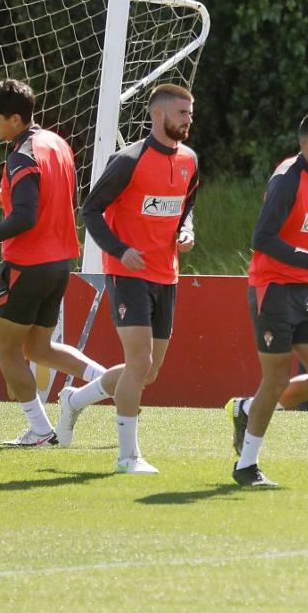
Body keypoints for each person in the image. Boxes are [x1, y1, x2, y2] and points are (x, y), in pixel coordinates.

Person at [61, 84, 199, 473]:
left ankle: (75, 400)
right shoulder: (128, 160)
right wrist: (120, 250)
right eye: (182, 113)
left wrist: (185, 230)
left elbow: (186, 206)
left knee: (148, 371)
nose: (188, 120)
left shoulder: (189, 159)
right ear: (158, 115)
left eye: (190, 113)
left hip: (166, 275)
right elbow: (90, 211)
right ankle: (127, 457)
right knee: (139, 362)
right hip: (127, 273)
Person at [0, 79, 107, 447]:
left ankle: (41, 430)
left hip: (28, 265)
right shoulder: (57, 144)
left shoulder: (22, 154)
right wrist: (9, 199)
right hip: (60, 262)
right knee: (38, 349)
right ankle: (112, 380)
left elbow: (28, 217)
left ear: (16, 119)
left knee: (7, 348)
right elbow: (55, 199)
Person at [225, 111, 308, 487]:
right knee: (275, 379)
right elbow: (262, 239)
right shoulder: (286, 179)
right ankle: (247, 466)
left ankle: (247, 408)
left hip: (306, 288)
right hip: (274, 290)